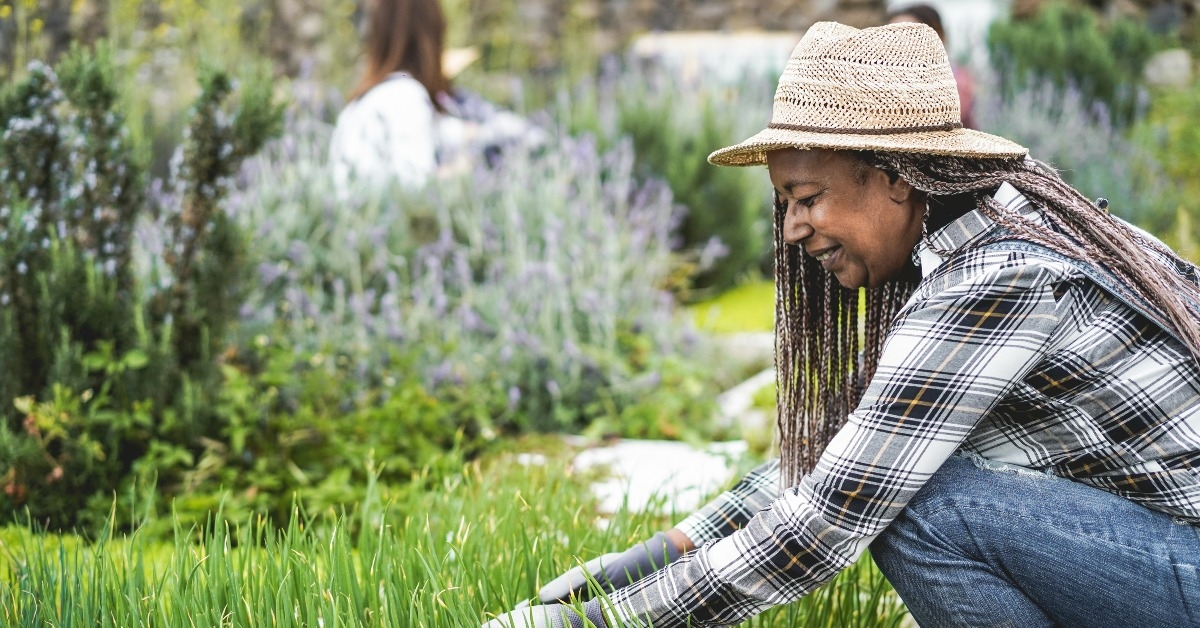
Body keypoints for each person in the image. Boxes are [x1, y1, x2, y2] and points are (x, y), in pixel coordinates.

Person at [483, 21, 1200, 628]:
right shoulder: (985, 234)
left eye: (807, 197)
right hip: (1161, 553)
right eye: (785, 203)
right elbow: (849, 451)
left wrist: (595, 621)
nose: (792, 228)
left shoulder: (997, 278)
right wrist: (649, 558)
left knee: (923, 505)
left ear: (896, 177)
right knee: (915, 481)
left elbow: (828, 516)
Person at [328, 0, 538, 191]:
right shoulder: (406, 96)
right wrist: (466, 167)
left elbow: (443, 132)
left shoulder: (363, 101)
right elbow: (416, 190)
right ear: (429, 36)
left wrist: (478, 134)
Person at [887, 3, 977, 129]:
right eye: (889, 37)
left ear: (937, 36)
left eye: (908, 36)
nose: (896, 45)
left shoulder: (957, 81)